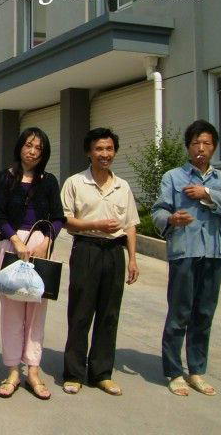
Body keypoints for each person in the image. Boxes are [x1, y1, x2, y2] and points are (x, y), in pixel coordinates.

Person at [152, 120, 221, 397]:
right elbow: (158, 210)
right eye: (195, 143)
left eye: (206, 143)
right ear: (188, 147)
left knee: (204, 314)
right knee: (179, 313)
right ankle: (173, 372)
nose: (201, 148)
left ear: (214, 147)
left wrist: (208, 194)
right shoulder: (173, 177)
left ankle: (196, 371)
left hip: (214, 253)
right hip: (185, 252)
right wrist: (171, 218)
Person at [60, 127, 140, 396]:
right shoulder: (75, 183)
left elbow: (130, 225)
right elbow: (66, 220)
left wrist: (132, 259)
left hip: (115, 252)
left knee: (109, 314)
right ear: (88, 152)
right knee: (80, 312)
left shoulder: (122, 186)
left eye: (109, 149)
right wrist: (95, 224)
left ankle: (102, 373)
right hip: (86, 249)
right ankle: (74, 373)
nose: (104, 154)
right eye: (99, 149)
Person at [0, 127, 65, 400]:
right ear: (20, 146)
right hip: (12, 247)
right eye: (28, 145)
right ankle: (12, 371)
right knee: (11, 311)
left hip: (40, 247)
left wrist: (47, 240)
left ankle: (33, 369)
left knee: (36, 312)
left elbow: (58, 217)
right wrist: (15, 240)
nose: (32, 152)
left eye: (38, 148)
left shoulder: (49, 181)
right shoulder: (5, 178)